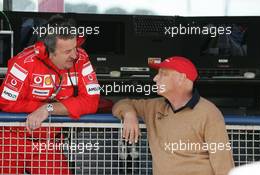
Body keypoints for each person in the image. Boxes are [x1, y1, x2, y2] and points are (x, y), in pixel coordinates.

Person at [0, 14, 100, 174]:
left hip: (48, 142)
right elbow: (7, 102)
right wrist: (41, 107)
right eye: (67, 51)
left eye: (75, 47)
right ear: (46, 51)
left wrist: (48, 109)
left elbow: (91, 102)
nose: (75, 55)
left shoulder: (81, 59)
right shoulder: (24, 62)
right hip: (11, 140)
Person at [112, 56, 234, 175]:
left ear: (181, 78)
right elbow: (121, 103)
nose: (155, 78)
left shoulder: (209, 113)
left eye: (163, 74)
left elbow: (223, 164)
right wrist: (129, 114)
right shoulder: (153, 107)